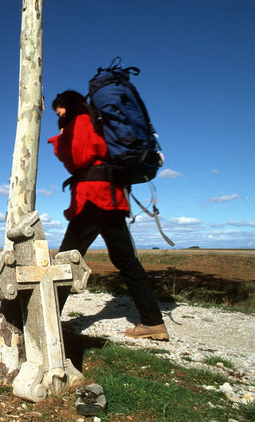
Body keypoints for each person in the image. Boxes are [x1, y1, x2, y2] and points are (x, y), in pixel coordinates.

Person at [47, 90, 168, 341]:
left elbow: (79, 157)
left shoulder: (80, 120)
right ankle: (153, 322)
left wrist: (59, 141)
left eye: (59, 110)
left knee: (66, 260)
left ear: (67, 105)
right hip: (110, 197)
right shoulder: (95, 120)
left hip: (93, 199)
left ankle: (45, 319)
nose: (58, 115)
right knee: (126, 260)